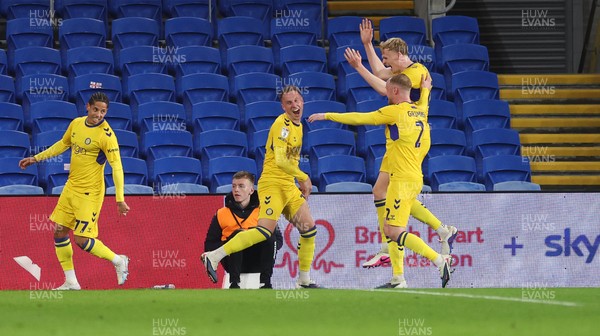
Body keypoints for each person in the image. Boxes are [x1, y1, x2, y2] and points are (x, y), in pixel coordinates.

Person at [309, 74, 453, 288]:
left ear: (395, 91)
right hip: (413, 176)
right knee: (388, 212)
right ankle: (399, 278)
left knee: (393, 231)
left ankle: (439, 260)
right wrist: (426, 90)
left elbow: (360, 118)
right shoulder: (421, 110)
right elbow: (423, 101)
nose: (385, 93)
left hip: (402, 179)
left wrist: (327, 115)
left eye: (387, 89)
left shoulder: (394, 112)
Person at [343, 19, 458, 287]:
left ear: (399, 54)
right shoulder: (402, 70)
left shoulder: (416, 72)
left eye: (387, 57)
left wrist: (359, 66)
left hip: (409, 141)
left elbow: (385, 86)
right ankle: (435, 233)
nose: (385, 62)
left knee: (395, 204)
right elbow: (382, 73)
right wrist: (367, 45)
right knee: (379, 190)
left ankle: (392, 242)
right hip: (398, 138)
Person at [202, 85, 320, 288]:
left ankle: (304, 280)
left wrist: (298, 180)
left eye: (297, 100)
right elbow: (282, 161)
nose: (294, 105)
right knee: (265, 232)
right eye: (289, 102)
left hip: (288, 186)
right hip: (272, 184)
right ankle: (214, 256)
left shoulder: (298, 125)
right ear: (283, 106)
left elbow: (289, 163)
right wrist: (304, 177)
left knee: (308, 230)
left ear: (303, 101)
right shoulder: (281, 126)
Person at [19, 92, 130, 290]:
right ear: (88, 107)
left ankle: (118, 260)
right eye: (96, 109)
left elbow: (117, 167)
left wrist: (119, 199)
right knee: (60, 232)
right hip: (71, 188)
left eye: (103, 111)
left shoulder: (107, 136)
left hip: (90, 193)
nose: (98, 115)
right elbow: (62, 144)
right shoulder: (77, 123)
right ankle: (71, 281)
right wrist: (36, 158)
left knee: (82, 239)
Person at [204, 171, 283, 289]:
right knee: (237, 235)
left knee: (268, 236)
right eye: (234, 186)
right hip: (232, 260)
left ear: (251, 190)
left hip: (258, 260)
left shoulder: (264, 211)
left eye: (241, 186)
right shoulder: (221, 213)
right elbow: (210, 244)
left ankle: (265, 283)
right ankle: (234, 283)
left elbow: (278, 241)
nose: (236, 190)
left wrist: (251, 236)